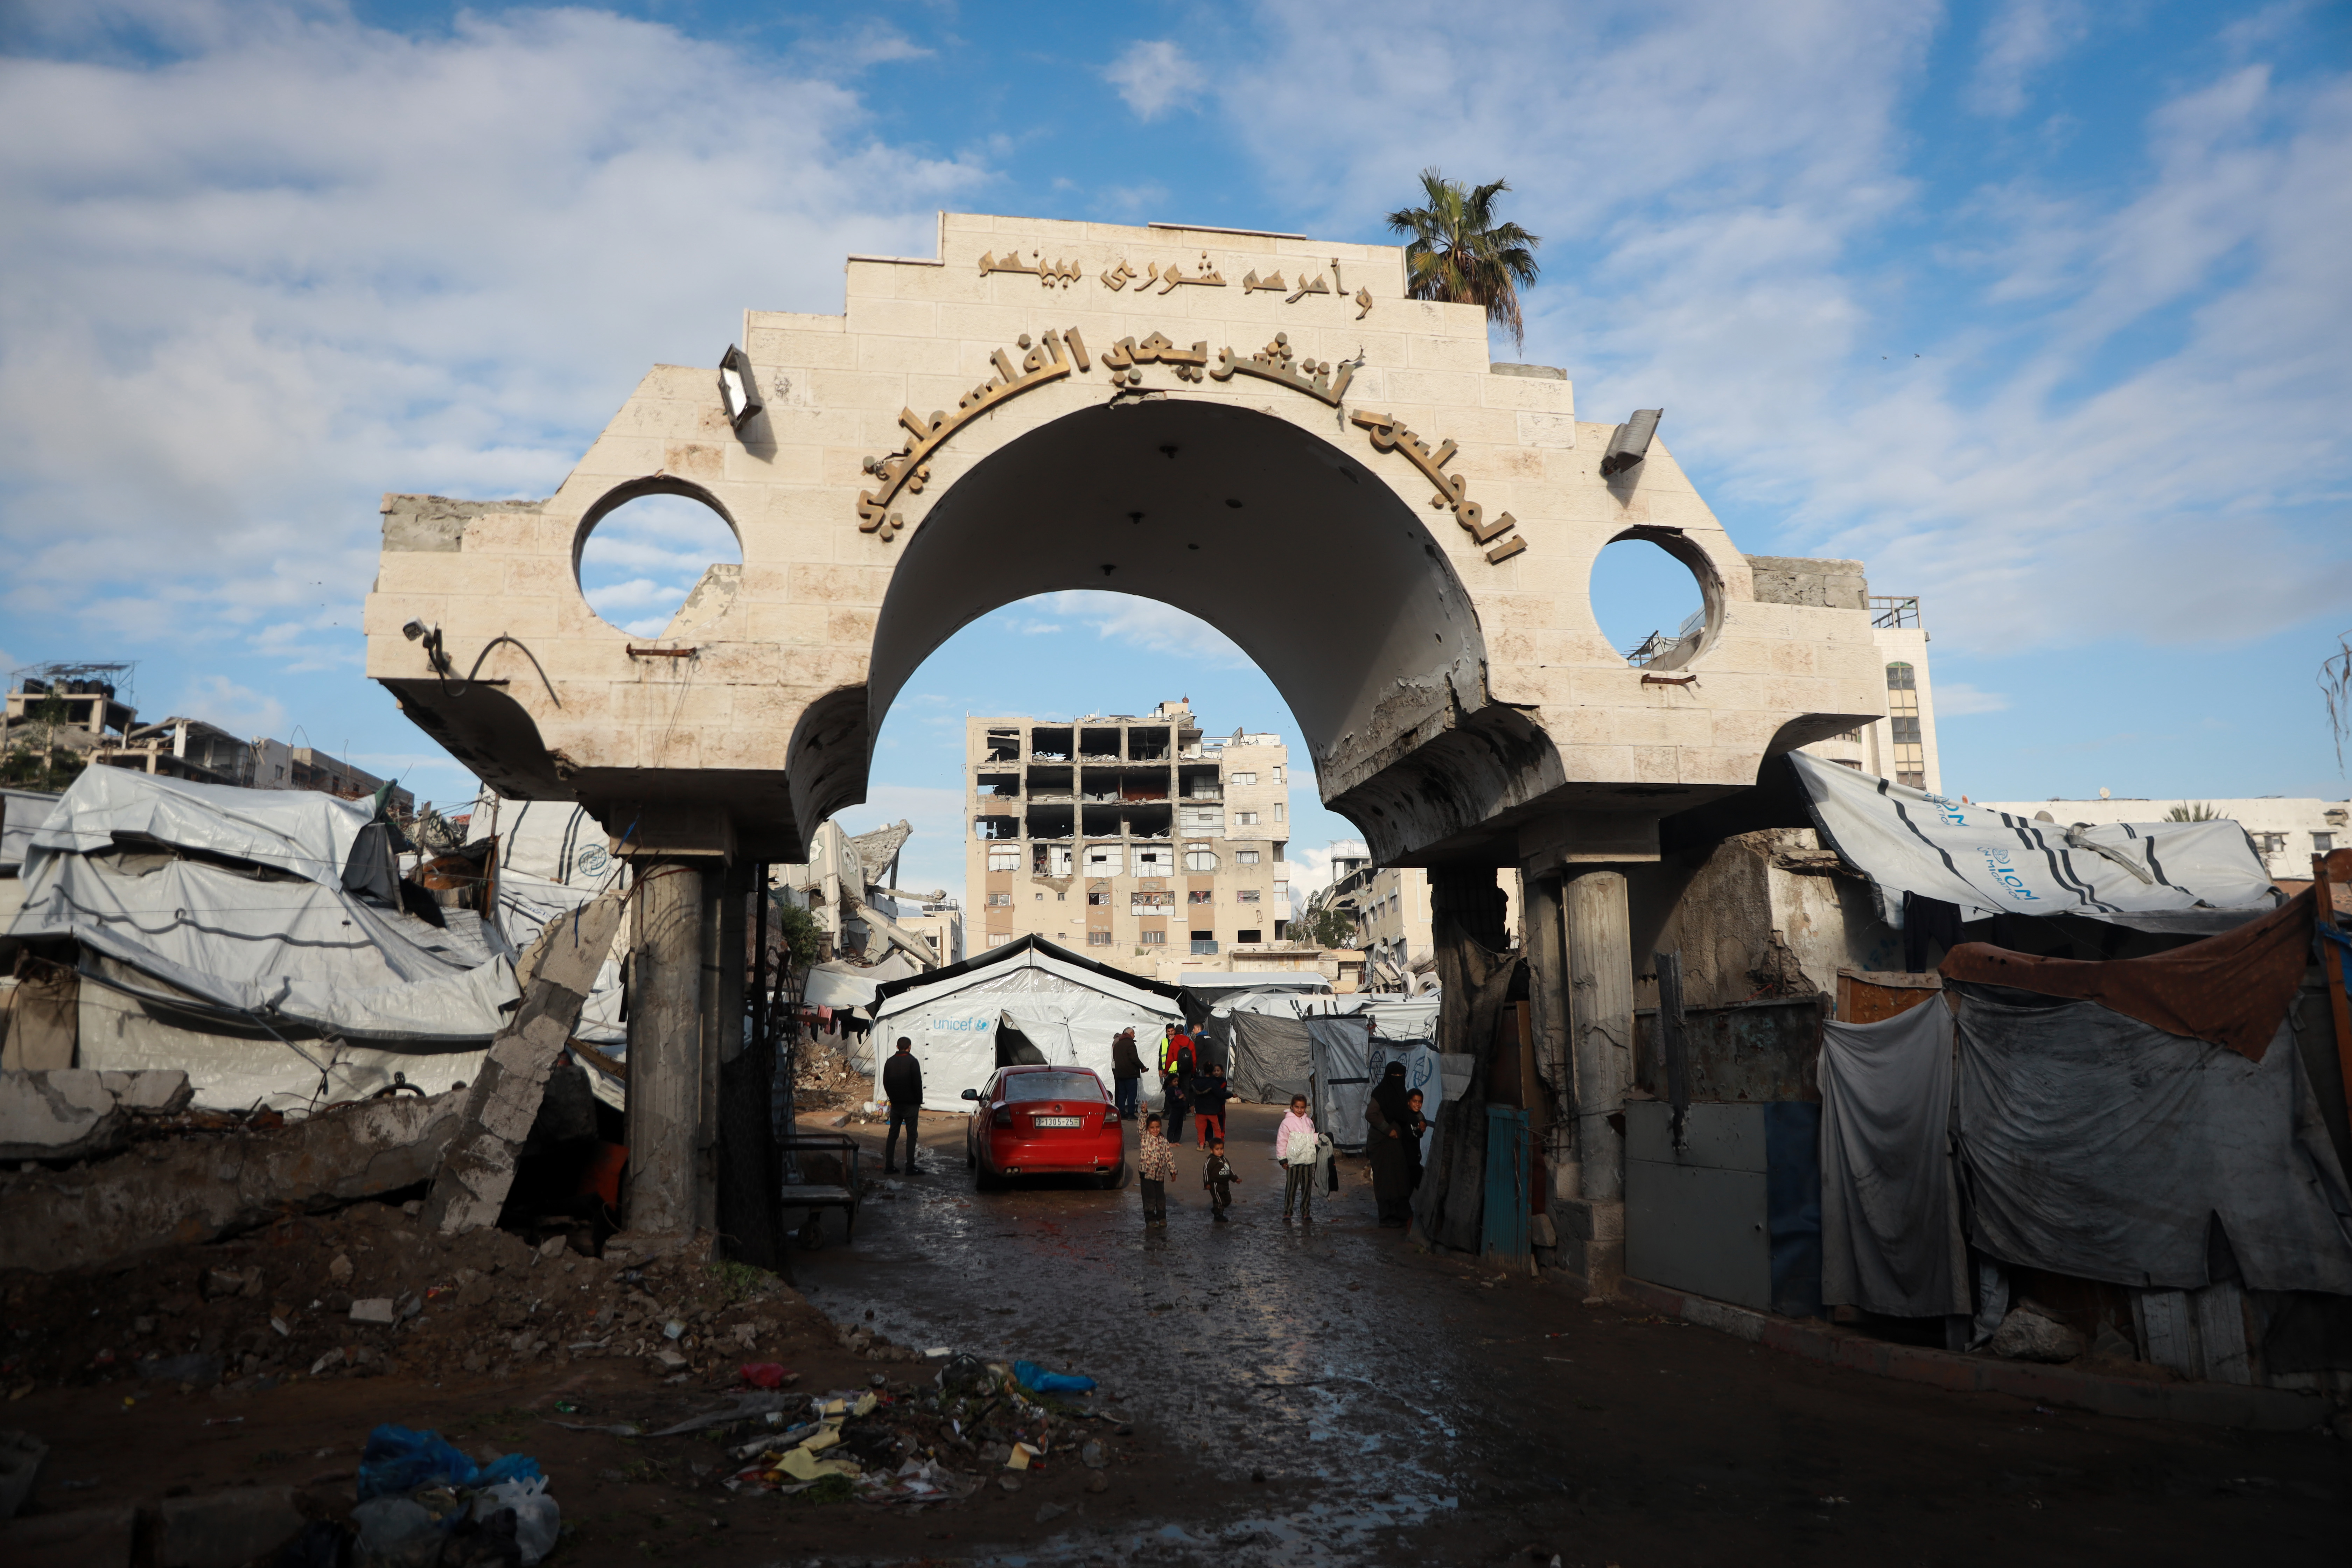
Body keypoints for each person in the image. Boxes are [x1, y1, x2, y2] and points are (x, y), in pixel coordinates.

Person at [1364, 1061, 1414, 1227]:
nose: (1398, 1079)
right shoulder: (1380, 1093)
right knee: (1385, 1180)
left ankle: (1399, 1215)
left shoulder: (1402, 1092)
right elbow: (1371, 1114)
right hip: (1380, 1143)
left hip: (1395, 1144)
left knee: (1399, 1178)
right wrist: (1387, 1129)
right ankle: (1386, 1217)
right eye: (1395, 1076)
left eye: (1401, 1076)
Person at [881, 1037, 923, 1175]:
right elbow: (917, 1084)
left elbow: (886, 1083)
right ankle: (910, 1167)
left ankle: (889, 1166)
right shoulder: (913, 1062)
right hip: (911, 1105)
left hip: (896, 1104)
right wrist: (919, 1101)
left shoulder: (890, 1062)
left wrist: (892, 1098)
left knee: (893, 1134)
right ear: (909, 1047)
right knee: (912, 1135)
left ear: (897, 1046)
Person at [1276, 1093, 1319, 1222]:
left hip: (1308, 1161)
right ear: (1292, 1107)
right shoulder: (1287, 1123)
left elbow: (1311, 1139)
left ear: (1306, 1107)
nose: (1300, 1110)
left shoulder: (1309, 1122)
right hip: (1293, 1162)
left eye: (1302, 1107)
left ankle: (1306, 1212)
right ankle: (1288, 1212)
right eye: (1297, 1107)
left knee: (1307, 1188)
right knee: (1292, 1187)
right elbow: (1282, 1141)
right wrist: (1283, 1159)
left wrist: (1320, 1137)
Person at [1137, 1112, 1176, 1227]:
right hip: (1147, 1175)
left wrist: (1173, 1171)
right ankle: (1150, 1219)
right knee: (1149, 1199)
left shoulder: (1164, 1141)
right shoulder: (1145, 1137)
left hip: (1160, 1176)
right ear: (1148, 1128)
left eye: (1158, 1127)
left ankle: (1162, 1218)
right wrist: (1144, 1113)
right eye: (1152, 1128)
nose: (1155, 1130)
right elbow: (1141, 1126)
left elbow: (1169, 1157)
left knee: (1161, 1199)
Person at [1160, 1028, 1196, 1146]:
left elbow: (1170, 1058)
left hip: (1177, 1070)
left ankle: (1171, 1111)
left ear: (1176, 1032)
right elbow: (1194, 1058)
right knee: (1185, 1089)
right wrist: (1193, 1071)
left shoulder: (1174, 1042)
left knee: (1174, 1090)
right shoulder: (1190, 1042)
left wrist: (1166, 1071)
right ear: (1184, 1031)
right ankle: (1184, 1112)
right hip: (1187, 1071)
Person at [1189, 1063, 1232, 1148]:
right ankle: (1218, 1143)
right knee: (1217, 1128)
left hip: (1201, 1110)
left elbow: (1190, 1092)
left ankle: (1202, 1144)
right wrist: (1232, 1095)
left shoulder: (1196, 1082)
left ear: (1204, 1071)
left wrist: (1192, 1105)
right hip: (1213, 1111)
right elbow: (1221, 1095)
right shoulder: (1214, 1083)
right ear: (1212, 1072)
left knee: (1201, 1129)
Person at [1110, 1027, 1144, 1121]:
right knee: (1132, 1094)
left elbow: (1115, 1058)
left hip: (1120, 1073)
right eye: (1134, 1034)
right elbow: (1134, 1059)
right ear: (1131, 1033)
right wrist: (1142, 1067)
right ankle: (1131, 1114)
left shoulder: (1117, 1044)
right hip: (1130, 1073)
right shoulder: (1130, 1044)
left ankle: (1121, 1113)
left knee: (1122, 1094)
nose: (1134, 1036)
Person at [1202, 1138, 1238, 1222]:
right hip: (1215, 1184)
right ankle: (1218, 1215)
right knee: (1219, 1200)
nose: (1220, 1151)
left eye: (1222, 1149)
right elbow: (1206, 1171)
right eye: (1217, 1149)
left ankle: (1217, 1209)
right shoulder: (1211, 1161)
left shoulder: (1225, 1160)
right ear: (1212, 1150)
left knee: (1228, 1200)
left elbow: (1230, 1171)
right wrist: (1207, 1183)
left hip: (1225, 1184)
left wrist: (1235, 1179)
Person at [1403, 1088, 1429, 1196]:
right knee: (1424, 1189)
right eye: (1415, 1101)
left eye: (1420, 1102)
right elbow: (1411, 1135)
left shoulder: (1417, 1116)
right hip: (1408, 1162)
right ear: (1408, 1102)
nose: (1418, 1105)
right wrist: (1420, 1130)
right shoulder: (1406, 1117)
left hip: (1414, 1160)